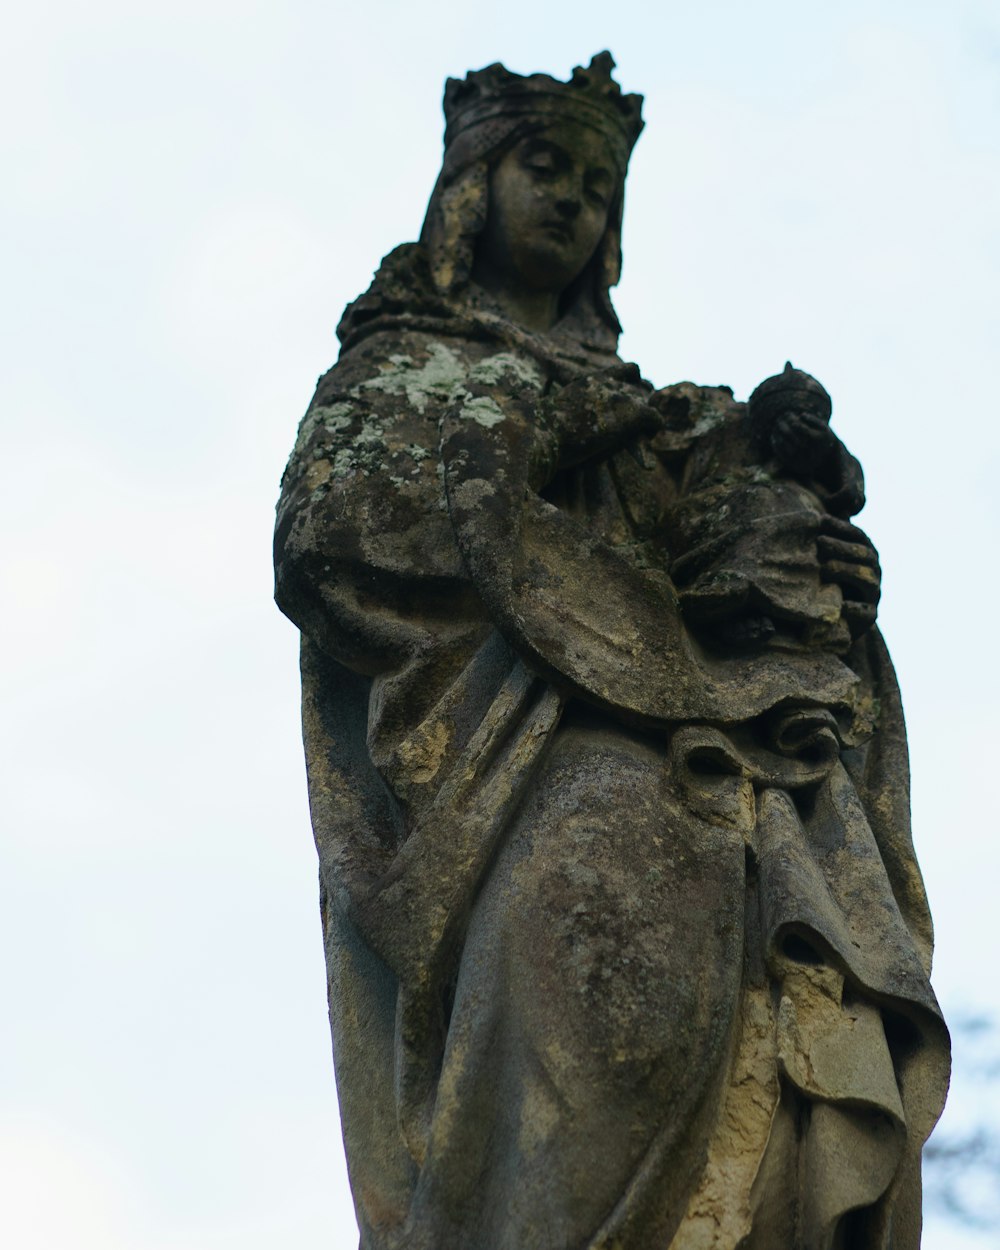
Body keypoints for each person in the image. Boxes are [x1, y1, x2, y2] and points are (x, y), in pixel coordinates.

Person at [274, 53, 949, 1250]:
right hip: (533, 768)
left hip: (716, 762)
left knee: (761, 1023)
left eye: (598, 183)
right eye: (546, 165)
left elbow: (737, 576)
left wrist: (821, 568)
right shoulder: (403, 364)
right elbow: (335, 536)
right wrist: (549, 431)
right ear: (470, 185)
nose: (575, 200)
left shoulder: (659, 411)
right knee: (597, 1001)